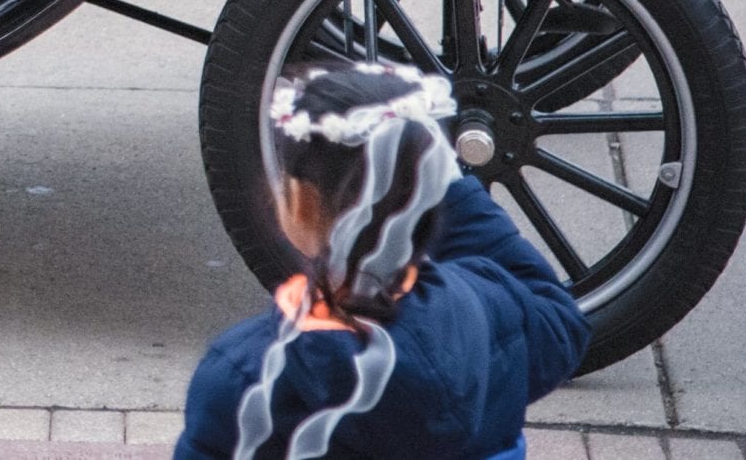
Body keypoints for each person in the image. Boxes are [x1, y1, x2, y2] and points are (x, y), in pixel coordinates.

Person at [175, 62, 589, 460]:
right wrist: (444, 183)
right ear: (429, 190)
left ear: (300, 204)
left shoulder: (244, 376)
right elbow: (560, 320)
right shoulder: (489, 308)